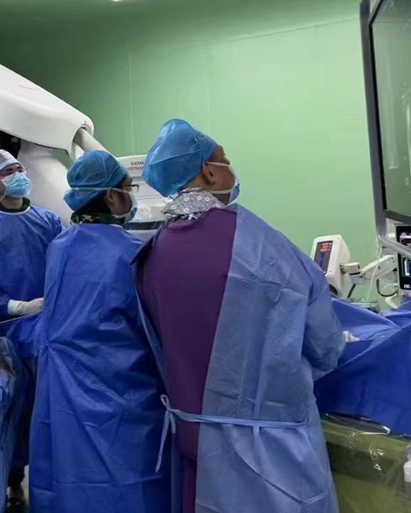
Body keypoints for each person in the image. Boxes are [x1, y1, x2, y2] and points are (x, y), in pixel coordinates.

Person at [136, 119, 344, 513]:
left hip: (192, 435)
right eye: (224, 160)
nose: (229, 167)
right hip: (268, 447)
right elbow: (323, 341)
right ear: (209, 171)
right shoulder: (257, 245)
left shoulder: (153, 251)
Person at [29, 150, 170, 513]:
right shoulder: (133, 254)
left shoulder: (59, 246)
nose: (131, 196)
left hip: (64, 389)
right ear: (111, 195)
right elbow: (154, 332)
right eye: (128, 188)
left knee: (71, 475)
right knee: (122, 480)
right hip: (119, 392)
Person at [0, 149, 62, 510]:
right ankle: (11, 480)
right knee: (9, 409)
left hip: (47, 328)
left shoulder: (49, 221)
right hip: (3, 333)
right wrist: (15, 306)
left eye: (19, 168)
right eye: (7, 172)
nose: (18, 175)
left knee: (48, 406)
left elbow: (65, 267)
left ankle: (53, 481)